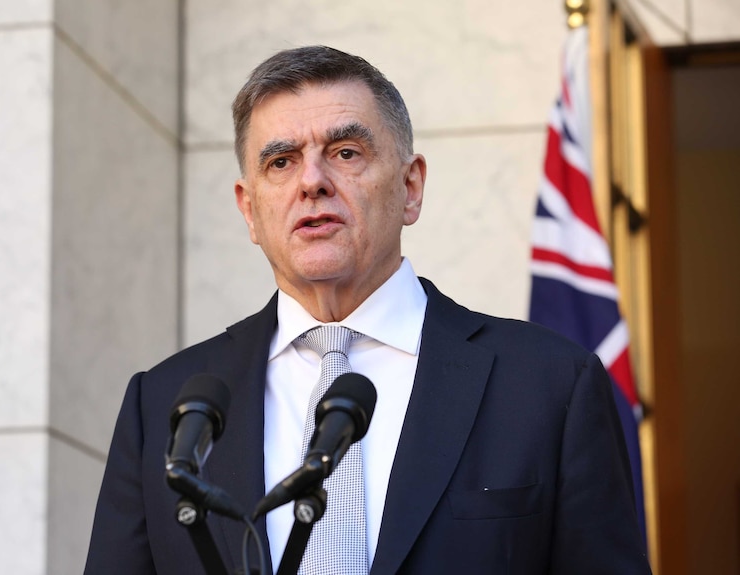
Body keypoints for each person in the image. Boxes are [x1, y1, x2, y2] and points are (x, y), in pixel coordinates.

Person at [84, 46, 651, 574]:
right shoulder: (162, 406)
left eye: (345, 152)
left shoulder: (550, 385)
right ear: (249, 210)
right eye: (280, 162)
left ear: (411, 187)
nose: (312, 181)